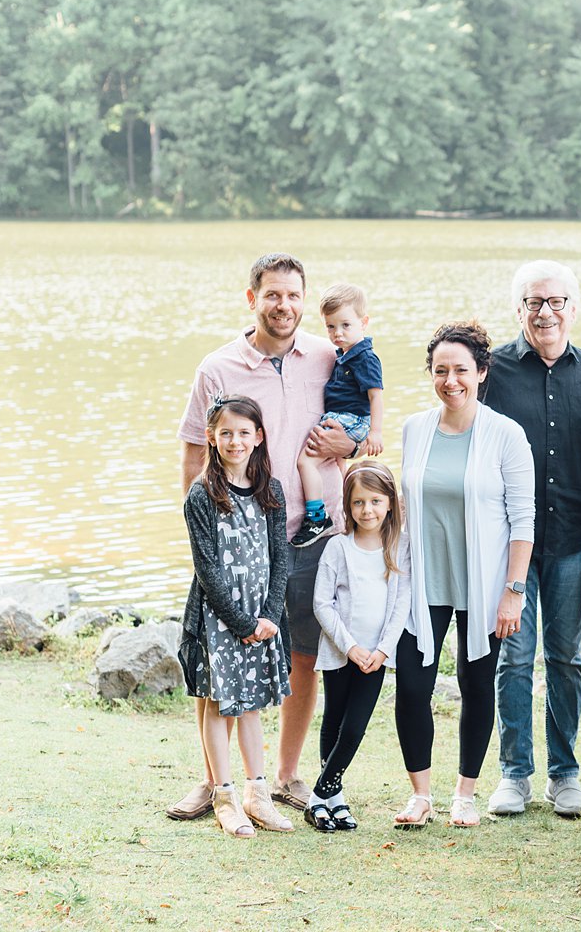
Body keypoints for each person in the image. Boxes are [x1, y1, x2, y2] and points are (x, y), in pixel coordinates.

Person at [173, 253, 357, 821]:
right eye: (273, 295)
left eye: (294, 296)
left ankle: (282, 776)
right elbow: (192, 453)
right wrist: (203, 534)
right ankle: (215, 781)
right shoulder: (218, 367)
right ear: (252, 298)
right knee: (218, 658)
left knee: (302, 654)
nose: (285, 306)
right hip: (232, 541)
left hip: (312, 533)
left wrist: (346, 448)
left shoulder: (329, 357)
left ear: (305, 301)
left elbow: (359, 425)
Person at [482, 261, 581, 819]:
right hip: (509, 541)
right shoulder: (493, 372)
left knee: (564, 657)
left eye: (557, 302)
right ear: (519, 310)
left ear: (573, 309)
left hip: (570, 538)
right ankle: (514, 774)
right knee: (513, 656)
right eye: (535, 302)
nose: (546, 312)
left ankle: (565, 773)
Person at [395, 322, 536, 829]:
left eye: (460, 370)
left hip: (483, 585)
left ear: (480, 372)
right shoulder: (414, 428)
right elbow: (405, 510)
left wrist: (513, 593)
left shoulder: (505, 434)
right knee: (412, 686)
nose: (450, 380)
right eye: (440, 370)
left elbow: (524, 520)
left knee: (478, 685)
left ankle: (465, 794)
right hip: (423, 580)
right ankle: (420, 794)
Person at [178, 395, 295, 837]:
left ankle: (257, 794)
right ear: (211, 436)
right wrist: (242, 623)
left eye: (244, 432)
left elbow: (280, 557)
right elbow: (206, 568)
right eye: (225, 432)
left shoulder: (272, 490)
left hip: (261, 613)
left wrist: (267, 616)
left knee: (252, 704)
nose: (235, 440)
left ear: (259, 437)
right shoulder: (202, 494)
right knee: (218, 701)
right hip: (219, 616)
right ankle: (223, 796)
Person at [306, 461, 410, 833]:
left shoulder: (398, 547)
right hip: (341, 652)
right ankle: (334, 799)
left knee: (354, 728)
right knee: (334, 721)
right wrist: (350, 648)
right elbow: (323, 604)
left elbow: (401, 604)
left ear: (390, 504)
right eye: (358, 503)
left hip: (376, 657)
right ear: (348, 507)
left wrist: (382, 650)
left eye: (376, 501)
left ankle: (318, 795)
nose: (367, 510)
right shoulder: (338, 547)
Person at [291, 283, 385, 548]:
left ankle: (317, 517)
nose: (337, 334)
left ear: (363, 322)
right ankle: (344, 511)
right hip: (344, 416)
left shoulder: (364, 358)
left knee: (306, 463)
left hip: (350, 419)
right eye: (330, 327)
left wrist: (375, 433)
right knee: (336, 466)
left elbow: (376, 395)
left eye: (345, 325)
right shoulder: (344, 355)